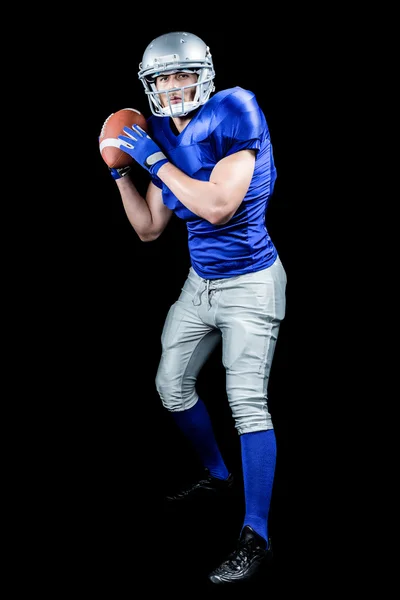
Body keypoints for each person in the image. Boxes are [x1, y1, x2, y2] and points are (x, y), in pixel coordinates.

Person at [106, 31, 287, 585]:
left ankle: (255, 533)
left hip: (251, 283)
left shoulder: (236, 108)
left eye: (182, 75)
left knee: (247, 404)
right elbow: (148, 228)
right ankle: (217, 474)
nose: (173, 86)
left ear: (203, 75)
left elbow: (216, 206)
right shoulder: (162, 130)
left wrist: (156, 161)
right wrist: (120, 173)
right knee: (171, 385)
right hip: (200, 284)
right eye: (162, 79)